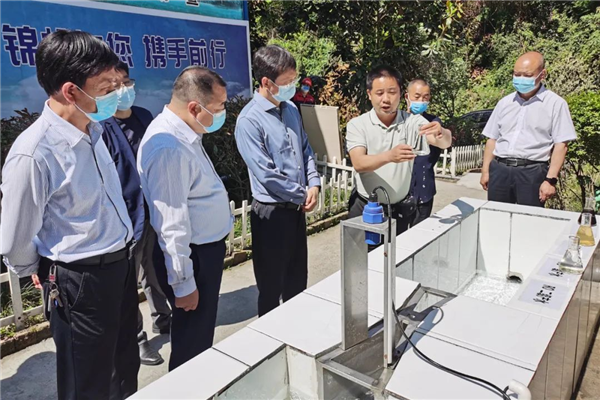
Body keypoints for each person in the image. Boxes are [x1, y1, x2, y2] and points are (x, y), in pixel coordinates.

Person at [0, 31, 139, 399]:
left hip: (120, 268)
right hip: (81, 283)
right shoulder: (34, 153)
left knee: (124, 365)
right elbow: (14, 241)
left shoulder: (96, 129)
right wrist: (42, 269)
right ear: (71, 91)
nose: (116, 93)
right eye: (107, 86)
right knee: (87, 384)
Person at [137, 66, 233, 371]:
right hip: (193, 257)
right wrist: (183, 284)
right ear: (194, 107)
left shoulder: (185, 132)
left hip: (203, 252)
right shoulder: (168, 147)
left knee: (199, 336)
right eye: (218, 107)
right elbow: (171, 224)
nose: (222, 113)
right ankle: (187, 388)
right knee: (192, 342)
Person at [235, 45, 321, 317]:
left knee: (297, 282)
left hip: (296, 210)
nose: (292, 86)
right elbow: (266, 174)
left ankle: (296, 332)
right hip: (271, 215)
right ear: (266, 82)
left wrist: (314, 184)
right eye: (287, 82)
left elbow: (305, 149)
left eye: (294, 79)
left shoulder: (291, 109)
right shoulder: (249, 121)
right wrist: (301, 194)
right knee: (271, 288)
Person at [101, 61, 171, 366]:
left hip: (151, 208)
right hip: (124, 217)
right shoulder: (101, 127)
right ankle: (138, 339)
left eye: (126, 83)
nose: (123, 90)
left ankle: (163, 316)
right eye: (114, 86)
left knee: (154, 267)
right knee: (128, 281)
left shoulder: (143, 116)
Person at [346, 66, 452, 237]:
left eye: (392, 92)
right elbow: (359, 163)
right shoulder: (358, 125)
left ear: (401, 94)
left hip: (399, 210)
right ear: (369, 94)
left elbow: (443, 142)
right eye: (379, 93)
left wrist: (442, 133)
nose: (386, 99)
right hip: (365, 206)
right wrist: (389, 156)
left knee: (396, 253)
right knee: (360, 254)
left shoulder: (412, 122)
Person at [480, 52, 577, 207]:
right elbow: (492, 139)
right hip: (500, 170)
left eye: (527, 75)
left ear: (542, 74)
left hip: (532, 172)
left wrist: (550, 180)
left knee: (529, 218)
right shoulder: (505, 103)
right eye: (517, 74)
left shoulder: (555, 104)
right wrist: (486, 171)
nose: (521, 79)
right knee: (497, 216)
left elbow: (561, 145)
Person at [405, 79, 452, 226]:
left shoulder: (433, 122)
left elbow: (442, 141)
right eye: (417, 96)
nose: (421, 101)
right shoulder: (398, 120)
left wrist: (441, 133)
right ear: (407, 96)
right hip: (399, 191)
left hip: (423, 190)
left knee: (418, 234)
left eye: (425, 97)